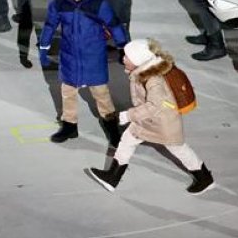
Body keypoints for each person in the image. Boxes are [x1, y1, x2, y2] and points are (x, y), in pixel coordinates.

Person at [85, 39, 214, 193]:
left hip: (163, 122)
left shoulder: (153, 80)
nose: (123, 58)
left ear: (138, 60)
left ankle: (205, 178)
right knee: (127, 139)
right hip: (148, 120)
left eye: (127, 56)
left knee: (178, 149)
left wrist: (126, 116)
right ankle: (112, 177)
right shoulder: (142, 72)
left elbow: (155, 106)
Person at [37, 0, 127, 146]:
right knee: (68, 92)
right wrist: (44, 48)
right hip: (69, 57)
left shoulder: (99, 4)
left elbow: (115, 25)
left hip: (93, 58)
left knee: (101, 94)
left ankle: (112, 128)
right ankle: (69, 126)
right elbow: (49, 26)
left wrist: (123, 48)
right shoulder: (59, 3)